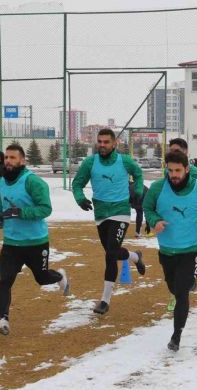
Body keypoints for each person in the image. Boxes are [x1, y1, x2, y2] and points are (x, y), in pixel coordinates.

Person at [143, 151, 197, 351]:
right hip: (167, 250)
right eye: (170, 170)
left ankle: (176, 336)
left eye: (178, 170)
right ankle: (190, 283)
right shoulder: (157, 188)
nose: (174, 175)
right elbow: (148, 207)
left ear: (187, 169)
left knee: (181, 292)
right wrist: (154, 221)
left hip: (191, 249)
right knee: (174, 287)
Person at [0, 144, 70, 336]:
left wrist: (21, 212)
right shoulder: (0, 182)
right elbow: (2, 206)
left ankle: (60, 276)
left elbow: (45, 209)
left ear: (22, 161)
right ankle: (4, 320)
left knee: (42, 278)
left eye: (13, 158)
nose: (8, 161)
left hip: (35, 242)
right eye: (6, 157)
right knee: (5, 281)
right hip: (11, 243)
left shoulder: (33, 182)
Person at [72, 128, 146, 315]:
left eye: (106, 142)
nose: (102, 145)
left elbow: (138, 174)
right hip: (101, 212)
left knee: (111, 253)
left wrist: (137, 192)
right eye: (100, 142)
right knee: (111, 251)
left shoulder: (125, 161)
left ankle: (105, 300)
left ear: (115, 144)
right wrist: (80, 198)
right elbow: (77, 183)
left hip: (121, 210)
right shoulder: (90, 162)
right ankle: (135, 257)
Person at [166, 138, 197, 303]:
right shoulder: (169, 173)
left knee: (192, 260)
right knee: (172, 261)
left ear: (186, 152)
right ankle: (175, 295)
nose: (173, 154)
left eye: (177, 151)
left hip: (193, 225)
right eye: (171, 151)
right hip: (172, 224)